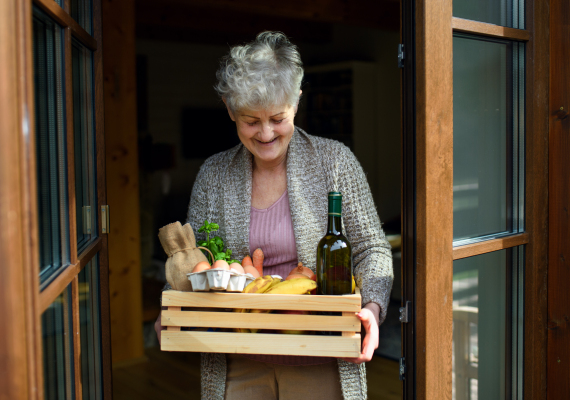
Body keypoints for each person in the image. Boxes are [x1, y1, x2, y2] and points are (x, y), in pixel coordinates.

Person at [155, 31, 393, 400]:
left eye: (277, 118)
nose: (266, 133)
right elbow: (194, 260)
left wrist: (373, 311)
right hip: (236, 359)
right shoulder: (214, 175)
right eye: (251, 121)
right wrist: (172, 304)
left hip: (321, 357)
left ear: (297, 102)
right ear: (230, 109)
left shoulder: (335, 163)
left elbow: (372, 250)